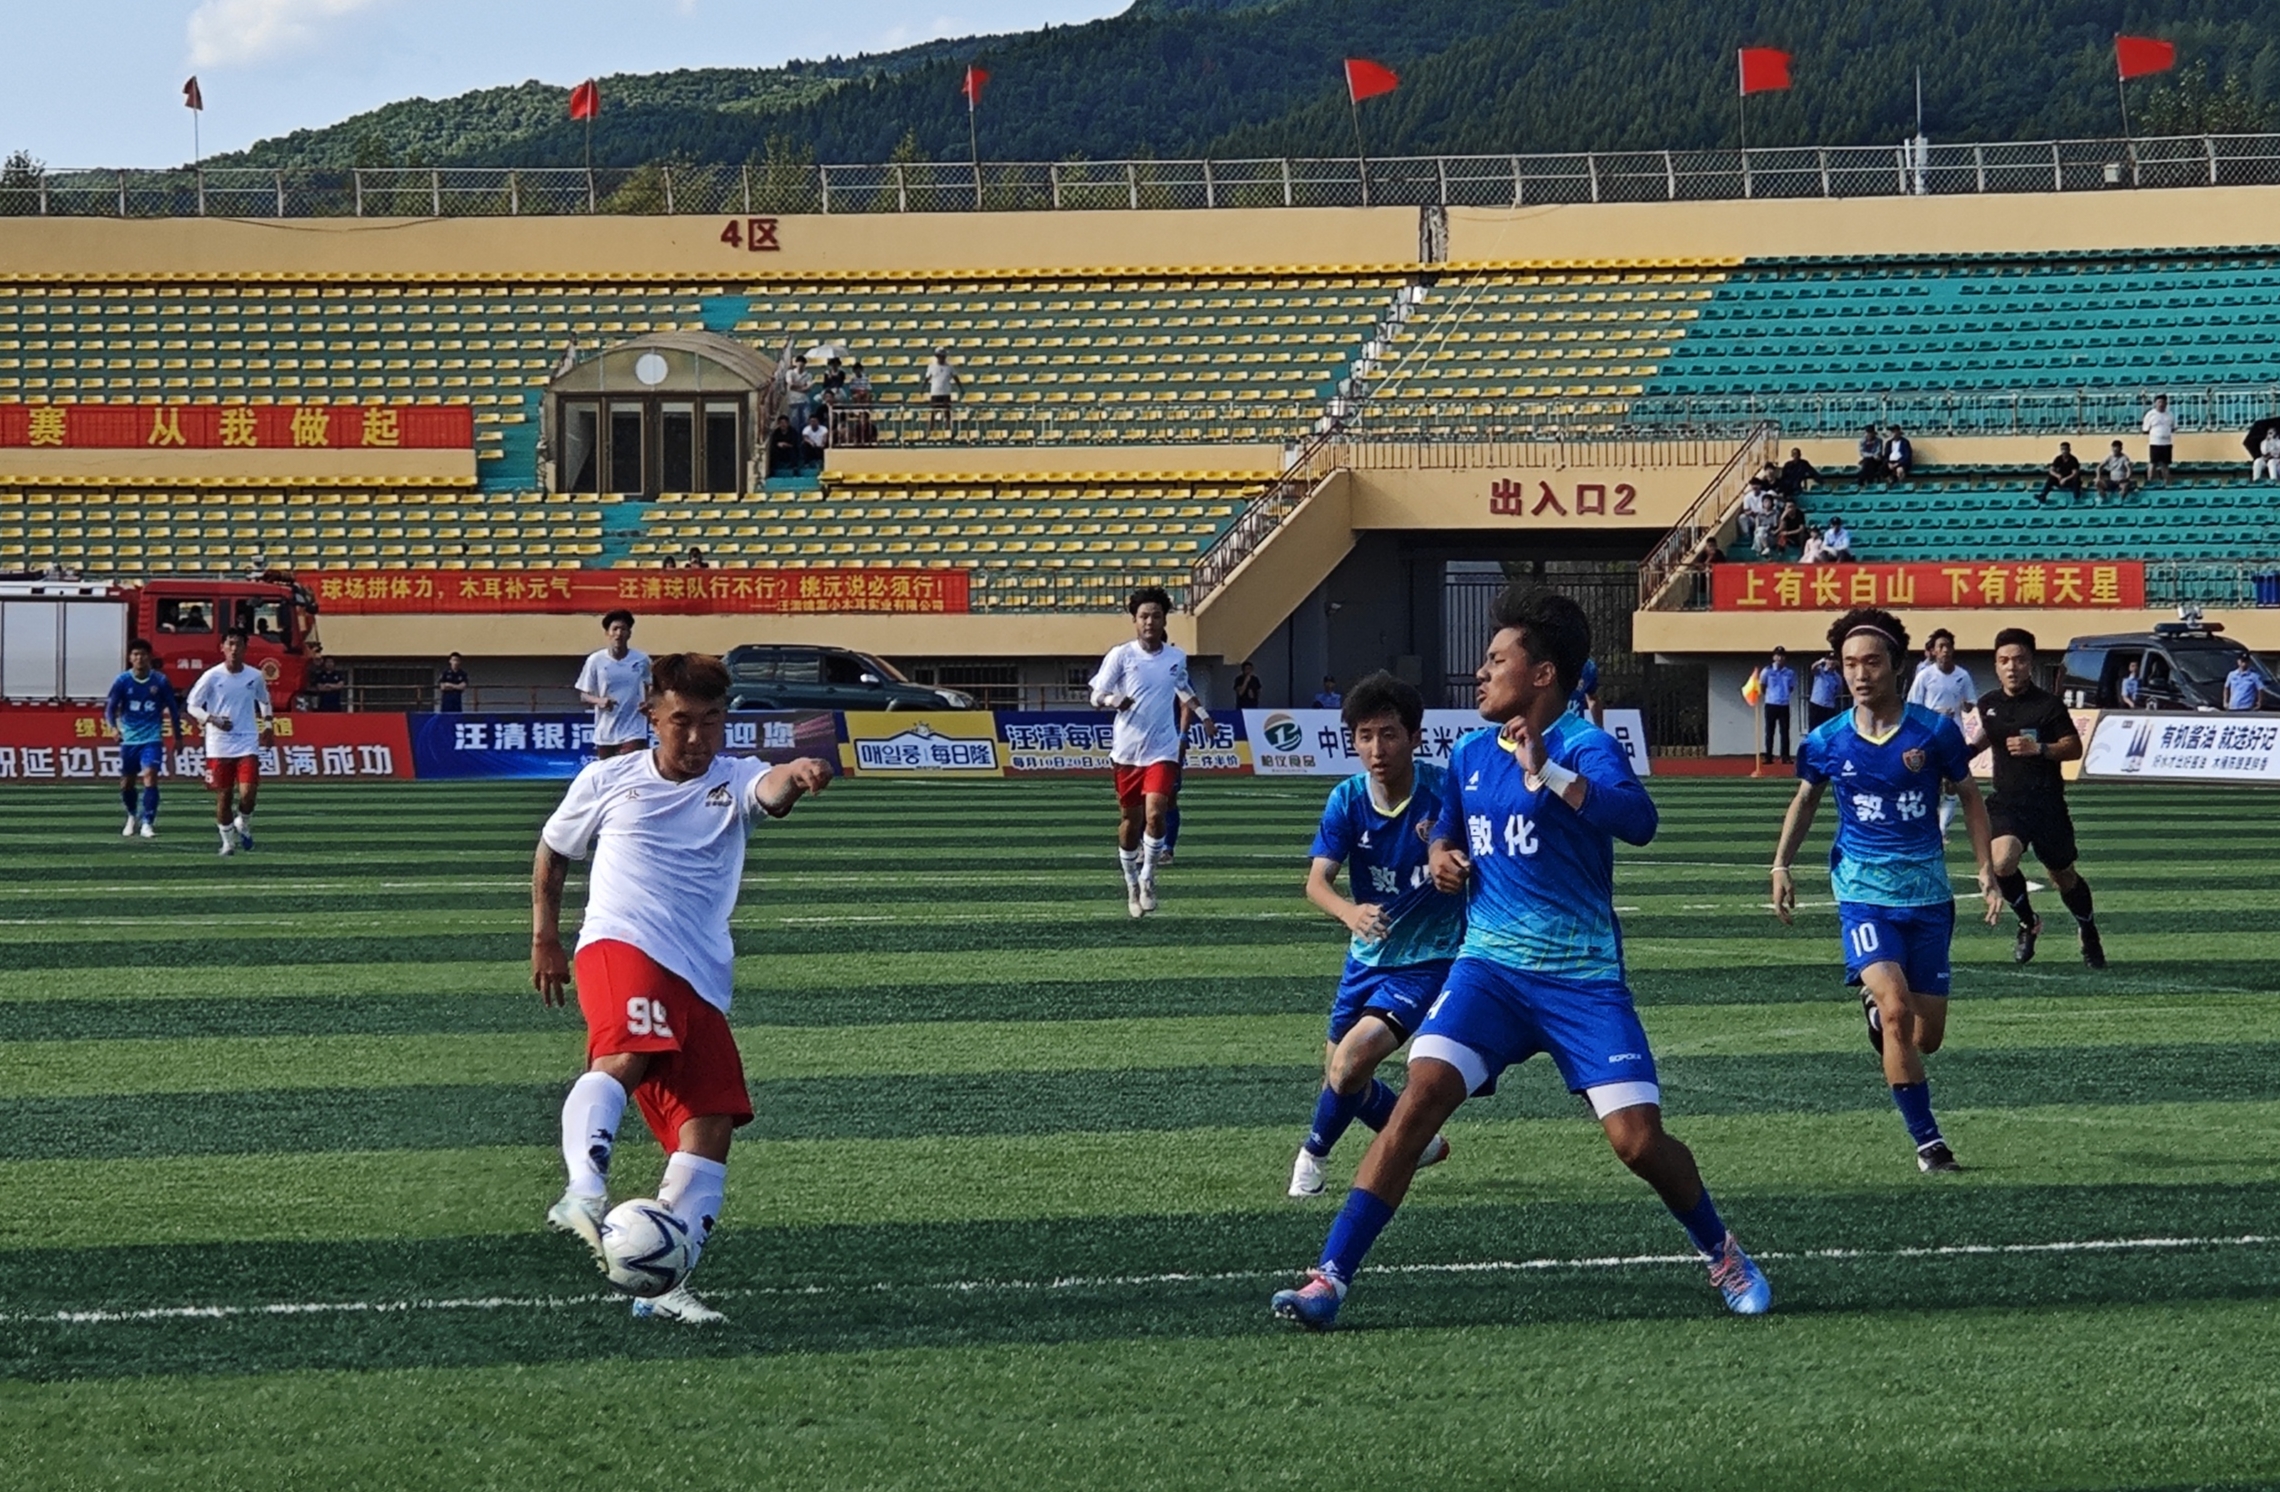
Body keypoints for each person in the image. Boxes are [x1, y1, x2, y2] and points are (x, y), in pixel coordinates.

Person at [1270, 588, 1770, 1330]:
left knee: (1637, 1143)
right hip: (1489, 972)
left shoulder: (1585, 746)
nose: (1481, 672)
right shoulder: (1470, 753)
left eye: (1496, 659)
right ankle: (1329, 1280)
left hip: (1581, 979)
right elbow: (1447, 828)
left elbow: (1640, 821)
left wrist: (1551, 775)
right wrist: (1441, 856)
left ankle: (1721, 1250)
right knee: (1419, 1098)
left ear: (1541, 675)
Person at [534, 651, 835, 1325]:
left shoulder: (736, 777)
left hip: (700, 972)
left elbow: (773, 789)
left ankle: (662, 1282)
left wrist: (798, 771)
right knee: (625, 1053)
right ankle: (583, 1190)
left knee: (710, 1125)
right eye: (681, 722)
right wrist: (544, 938)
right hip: (620, 944)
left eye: (711, 721)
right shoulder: (608, 779)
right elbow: (554, 850)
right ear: (651, 716)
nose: (697, 737)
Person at [1772, 607, 2000, 1175]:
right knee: (1898, 1011)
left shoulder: (1935, 733)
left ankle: (1878, 1016)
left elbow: (1971, 797)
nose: (1859, 674)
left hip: (1928, 896)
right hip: (1862, 894)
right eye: (1849, 663)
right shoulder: (1825, 740)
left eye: (1871, 662)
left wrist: (1985, 869)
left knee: (1928, 1037)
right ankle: (1929, 1143)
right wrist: (1781, 864)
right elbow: (1806, 801)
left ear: (1897, 667)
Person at [1288, 673, 1463, 1197]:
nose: (1376, 749)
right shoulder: (1347, 799)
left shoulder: (1445, 793)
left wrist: (1458, 867)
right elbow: (1316, 883)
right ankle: (1420, 1142)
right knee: (1341, 1077)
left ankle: (1311, 1161)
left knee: (1351, 1063)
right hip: (1366, 957)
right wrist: (1350, 912)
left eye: (1388, 734)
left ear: (1415, 737)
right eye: (1365, 736)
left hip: (1430, 957)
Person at [1977, 629, 2105, 970]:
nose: (2012, 667)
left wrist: (2040, 749)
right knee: (2002, 862)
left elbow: (2073, 747)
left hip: (2047, 805)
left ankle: (2087, 928)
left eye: (2019, 660)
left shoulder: (2048, 705)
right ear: (1996, 666)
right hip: (2007, 803)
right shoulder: (1988, 703)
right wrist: (1958, 758)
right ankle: (2028, 922)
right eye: (2004, 661)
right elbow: (1987, 736)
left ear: (2030, 663)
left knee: (2063, 876)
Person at [1089, 586, 1208, 919]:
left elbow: (1182, 686)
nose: (1149, 622)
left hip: (1163, 749)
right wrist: (1112, 700)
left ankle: (1148, 878)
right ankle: (1130, 883)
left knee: (1156, 813)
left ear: (1164, 620)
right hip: (1127, 752)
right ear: (1134, 620)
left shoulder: (1175, 657)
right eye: (1143, 616)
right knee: (1131, 821)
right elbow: (1096, 695)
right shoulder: (1121, 655)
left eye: (1156, 616)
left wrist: (1203, 715)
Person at [187, 627, 275, 857]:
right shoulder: (212, 676)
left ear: (245, 648)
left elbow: (264, 700)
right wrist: (212, 719)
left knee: (248, 793)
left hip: (247, 740)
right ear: (223, 647)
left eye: (239, 644)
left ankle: (243, 821)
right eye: (230, 644)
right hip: (219, 743)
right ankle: (227, 842)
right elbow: (192, 705)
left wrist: (268, 725)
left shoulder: (254, 676)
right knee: (224, 797)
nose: (234, 649)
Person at [105, 637, 184, 840]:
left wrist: (178, 736)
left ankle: (148, 822)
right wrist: (113, 728)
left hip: (152, 738)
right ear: (130, 658)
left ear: (149, 657)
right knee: (127, 783)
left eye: (143, 654)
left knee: (150, 775)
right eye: (135, 654)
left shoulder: (160, 681)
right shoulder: (122, 681)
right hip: (130, 739)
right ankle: (132, 815)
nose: (139, 658)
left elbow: (173, 710)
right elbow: (110, 709)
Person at [1906, 628, 1977, 838]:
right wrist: (1935, 713)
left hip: (1954, 735)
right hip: (1929, 735)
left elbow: (1970, 704)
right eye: (1941, 646)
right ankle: (1927, 827)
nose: (1945, 650)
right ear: (1934, 651)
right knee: (1930, 783)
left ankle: (1942, 830)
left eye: (1948, 646)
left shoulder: (1962, 675)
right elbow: (1912, 707)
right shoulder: (1925, 676)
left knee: (1952, 783)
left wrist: (1965, 705)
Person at [577, 610, 653, 761]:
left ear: (629, 634)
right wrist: (599, 701)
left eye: (623, 629)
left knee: (630, 769)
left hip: (634, 729)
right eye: (615, 629)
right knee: (609, 772)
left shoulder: (641, 659)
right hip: (606, 731)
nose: (619, 634)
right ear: (607, 633)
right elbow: (583, 695)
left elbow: (652, 684)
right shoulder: (595, 660)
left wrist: (648, 702)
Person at [1760, 646, 1798, 763]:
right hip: (1771, 704)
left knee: (1785, 732)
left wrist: (1783, 695)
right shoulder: (1767, 671)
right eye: (1777, 656)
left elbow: (1791, 687)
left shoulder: (1789, 672)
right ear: (1774, 657)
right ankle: (1768, 756)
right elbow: (1762, 686)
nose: (1780, 658)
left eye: (1782, 656)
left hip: (1784, 704)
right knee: (1769, 732)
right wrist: (1771, 695)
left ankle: (1785, 757)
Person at [1806, 650, 1844, 730]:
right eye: (1829, 659)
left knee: (1828, 730)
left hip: (1829, 707)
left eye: (1833, 660)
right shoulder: (1820, 671)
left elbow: (1838, 691)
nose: (1831, 662)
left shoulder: (1837, 677)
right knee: (1813, 729)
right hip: (1816, 704)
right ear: (1825, 660)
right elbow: (1812, 668)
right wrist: (1820, 662)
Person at [925, 349, 961, 432]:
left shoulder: (949, 367)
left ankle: (948, 430)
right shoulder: (932, 367)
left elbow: (955, 377)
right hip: (935, 393)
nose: (941, 358)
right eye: (939, 356)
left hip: (945, 393)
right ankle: (930, 430)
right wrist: (923, 388)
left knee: (947, 413)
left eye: (943, 356)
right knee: (933, 412)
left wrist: (960, 387)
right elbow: (927, 378)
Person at [2142, 395, 2175, 484]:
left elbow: (2173, 427)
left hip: (2167, 443)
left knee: (2165, 465)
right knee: (2153, 463)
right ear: (2155, 403)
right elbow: (2145, 429)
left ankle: (2167, 483)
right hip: (2155, 443)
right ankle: (2150, 482)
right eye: (2159, 402)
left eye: (2163, 402)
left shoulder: (2170, 414)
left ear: (2166, 403)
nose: (2161, 404)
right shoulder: (2150, 414)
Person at [306, 644, 347, 712]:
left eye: (331, 662)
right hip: (323, 705)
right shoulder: (320, 675)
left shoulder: (338, 674)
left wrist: (328, 685)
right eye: (327, 662)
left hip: (335, 705)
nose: (329, 664)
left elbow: (340, 685)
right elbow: (320, 687)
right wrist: (333, 687)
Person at [1567, 655, 1602, 725]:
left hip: (1576, 726)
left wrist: (1599, 727)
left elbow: (1592, 698)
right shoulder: (1550, 666)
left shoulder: (1588, 668)